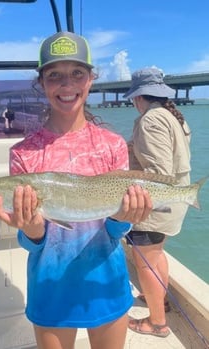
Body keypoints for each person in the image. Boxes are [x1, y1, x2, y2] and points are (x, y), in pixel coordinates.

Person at [0, 31, 152, 349]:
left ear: (91, 79)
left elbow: (116, 229)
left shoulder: (112, 146)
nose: (67, 85)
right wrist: (32, 229)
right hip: (51, 288)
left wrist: (125, 217)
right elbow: (33, 241)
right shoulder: (23, 154)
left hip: (105, 281)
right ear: (41, 83)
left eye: (77, 73)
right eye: (55, 76)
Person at [124, 67, 191, 338]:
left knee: (145, 263)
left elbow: (159, 173)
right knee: (156, 255)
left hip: (152, 206)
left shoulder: (150, 120)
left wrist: (121, 178)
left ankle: (157, 323)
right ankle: (159, 300)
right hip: (174, 201)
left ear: (139, 97)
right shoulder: (174, 117)